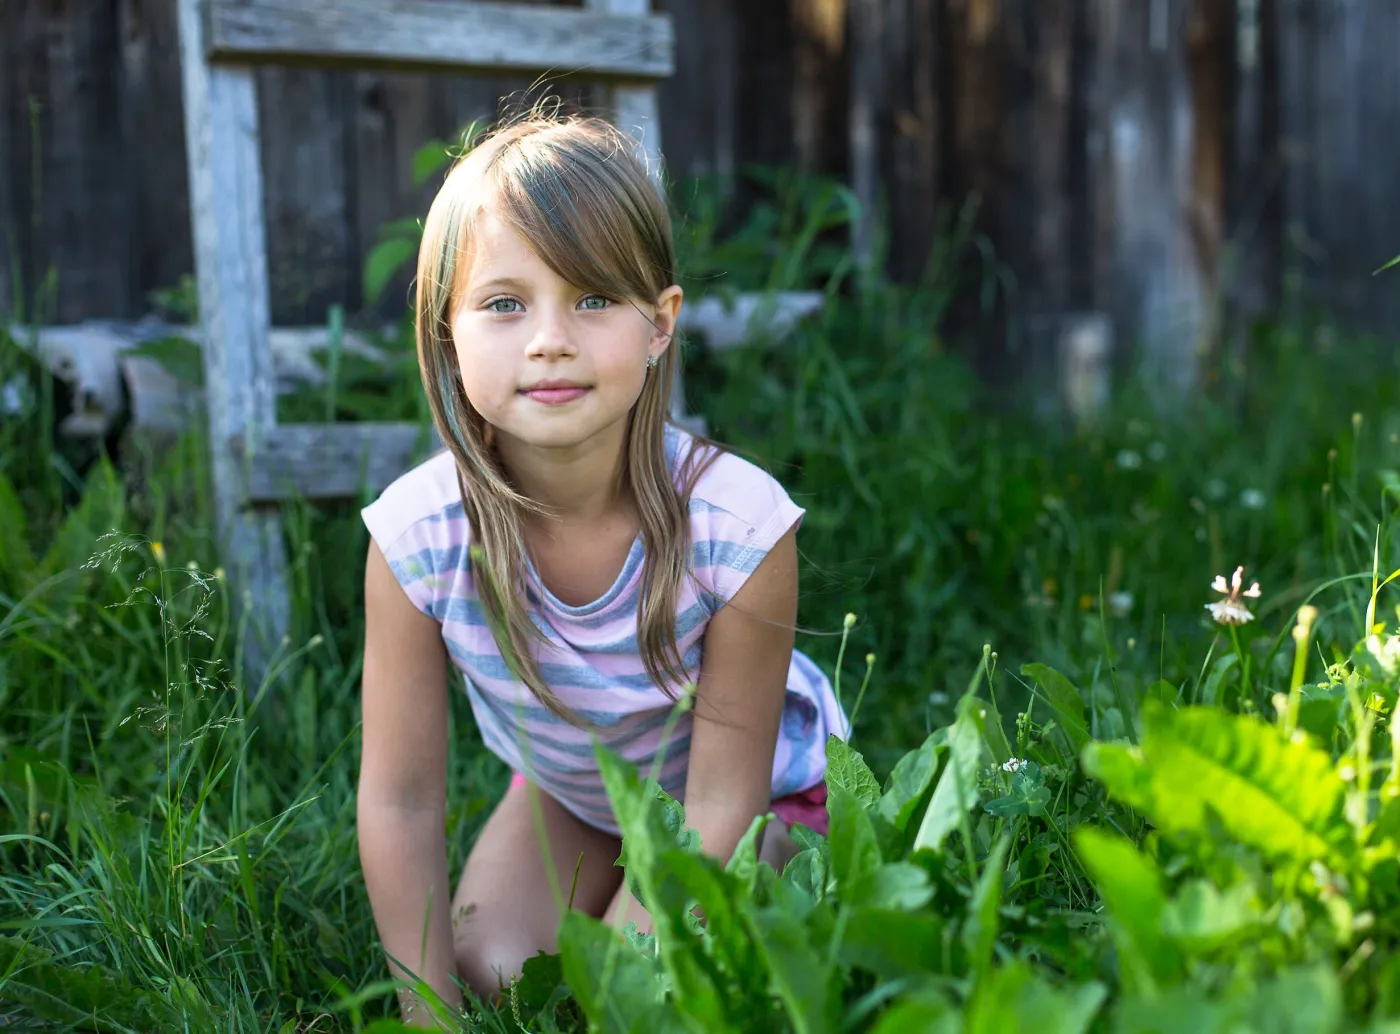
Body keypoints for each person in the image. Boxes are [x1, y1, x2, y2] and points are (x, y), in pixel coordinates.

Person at [356, 110, 847, 1025]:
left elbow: (721, 794)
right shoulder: (415, 540)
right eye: (504, 304)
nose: (549, 339)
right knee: (495, 970)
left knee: (625, 988)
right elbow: (402, 797)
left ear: (660, 325)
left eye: (591, 299)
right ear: (447, 330)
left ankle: (801, 863)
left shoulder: (737, 527)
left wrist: (635, 934)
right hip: (575, 789)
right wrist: (429, 1016)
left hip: (752, 797)